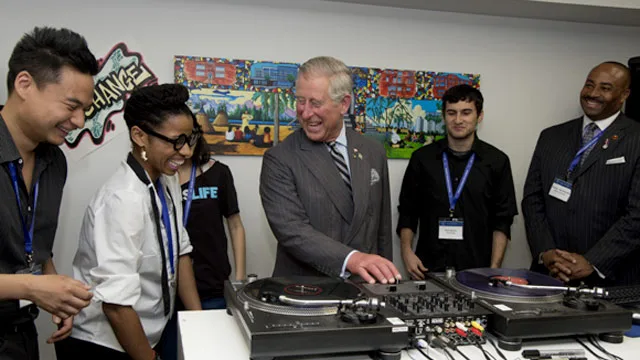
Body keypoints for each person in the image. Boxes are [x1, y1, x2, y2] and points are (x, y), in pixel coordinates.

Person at [54, 84, 202, 359]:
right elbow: (116, 305)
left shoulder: (165, 180)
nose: (187, 152)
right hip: (104, 344)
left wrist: (198, 324)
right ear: (139, 136)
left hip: (147, 335)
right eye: (176, 141)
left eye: (190, 139)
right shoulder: (122, 199)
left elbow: (180, 251)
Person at [0, 26, 97, 359]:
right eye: (71, 105)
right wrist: (33, 287)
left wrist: (58, 294)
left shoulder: (54, 162)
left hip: (20, 336)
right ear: (24, 84)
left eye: (85, 108)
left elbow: (37, 247)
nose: (80, 121)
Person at [259, 56, 400, 284]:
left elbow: (381, 229)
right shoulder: (280, 158)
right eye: (300, 101)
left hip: (365, 292)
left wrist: (386, 283)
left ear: (344, 104)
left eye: (315, 103)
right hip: (306, 291)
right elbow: (293, 231)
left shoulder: (373, 152)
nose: (304, 113)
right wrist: (353, 259)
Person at [522, 61, 639, 286]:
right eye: (589, 85)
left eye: (605, 88)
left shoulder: (636, 139)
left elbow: (637, 215)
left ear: (624, 94)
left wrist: (593, 261)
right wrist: (546, 252)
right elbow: (533, 199)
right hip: (549, 275)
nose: (592, 94)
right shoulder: (551, 136)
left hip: (611, 280)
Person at [397, 85, 518, 279]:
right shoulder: (422, 159)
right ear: (444, 116)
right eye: (451, 113)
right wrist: (407, 253)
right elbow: (408, 211)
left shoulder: (497, 161)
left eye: (466, 113)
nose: (458, 120)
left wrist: (493, 269)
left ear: (479, 116)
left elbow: (502, 221)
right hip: (427, 267)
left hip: (478, 270)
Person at [161, 131, 247, 360]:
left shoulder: (218, 173)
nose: (184, 148)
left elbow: (236, 226)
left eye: (190, 139)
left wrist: (239, 280)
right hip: (166, 295)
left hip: (213, 287)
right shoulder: (158, 178)